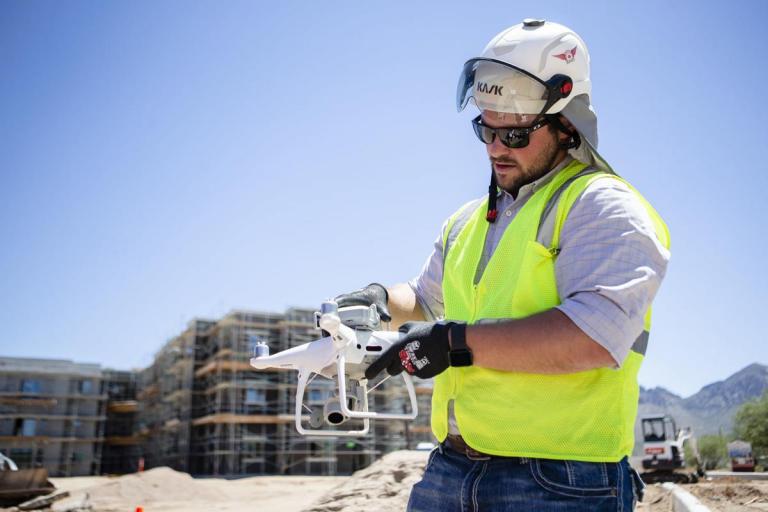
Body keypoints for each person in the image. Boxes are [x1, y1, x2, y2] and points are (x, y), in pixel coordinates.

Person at [335, 19, 670, 511]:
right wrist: (382, 300)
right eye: (485, 130)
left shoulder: (602, 206)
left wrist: (454, 344)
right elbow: (426, 297)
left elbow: (594, 337)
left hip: (560, 482)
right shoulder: (468, 222)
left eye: (514, 134)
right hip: (451, 470)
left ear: (566, 124)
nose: (495, 148)